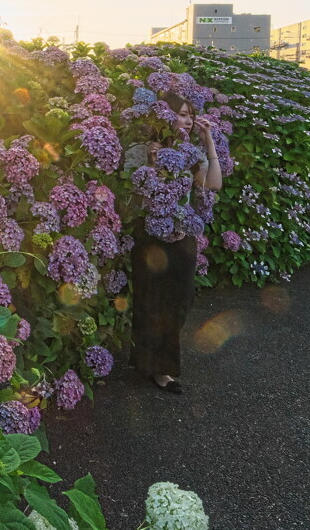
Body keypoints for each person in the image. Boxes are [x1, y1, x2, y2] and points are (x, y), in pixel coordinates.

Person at [124, 93, 223, 394]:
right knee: (151, 301)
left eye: (190, 114)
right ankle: (160, 369)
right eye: (181, 113)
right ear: (165, 116)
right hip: (150, 237)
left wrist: (209, 143)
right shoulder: (142, 151)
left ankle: (152, 358)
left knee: (181, 300)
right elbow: (133, 197)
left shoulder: (192, 153)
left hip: (182, 238)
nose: (188, 119)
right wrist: (154, 167)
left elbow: (214, 184)